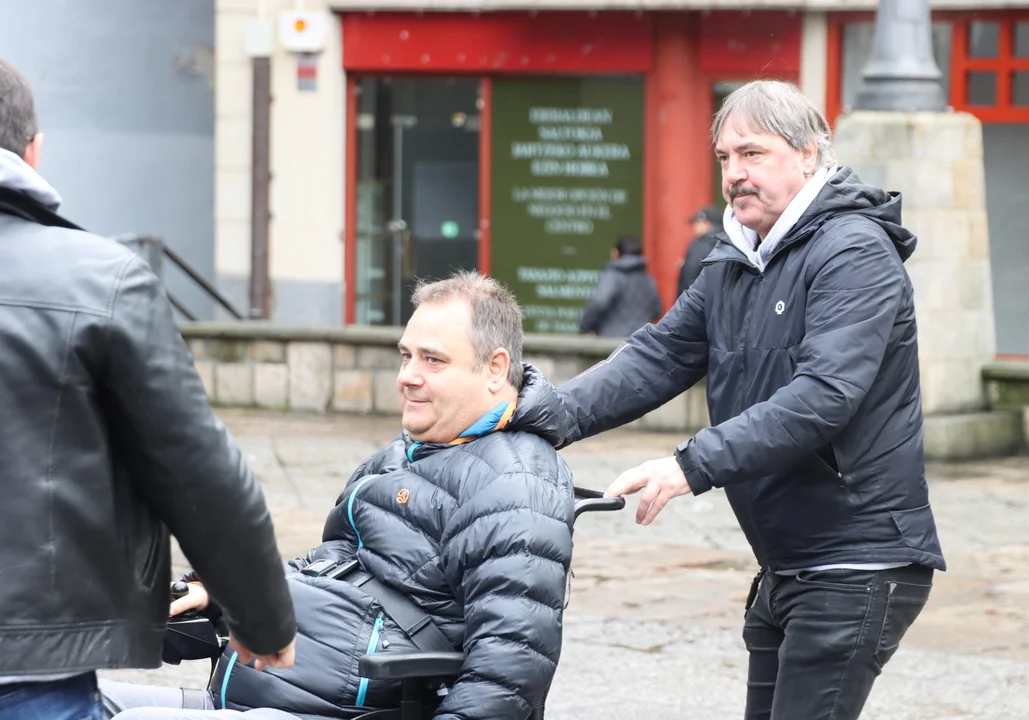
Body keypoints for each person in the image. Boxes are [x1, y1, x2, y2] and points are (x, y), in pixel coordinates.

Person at [555, 79, 946, 720]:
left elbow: (823, 396)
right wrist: (541, 417)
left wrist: (689, 465)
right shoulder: (736, 256)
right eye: (725, 158)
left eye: (753, 153)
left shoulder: (853, 250)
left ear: (808, 154)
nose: (734, 173)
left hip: (856, 562)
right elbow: (659, 355)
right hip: (788, 563)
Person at [102, 271, 576, 720]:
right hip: (262, 692)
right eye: (405, 356)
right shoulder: (406, 454)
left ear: (495, 368)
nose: (407, 375)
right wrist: (224, 595)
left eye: (432, 360)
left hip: (328, 709)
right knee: (74, 699)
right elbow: (328, 566)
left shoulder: (516, 482)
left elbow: (511, 667)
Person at [0, 58, 297, 718]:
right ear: (34, 151)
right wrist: (262, 620)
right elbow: (197, 472)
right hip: (30, 675)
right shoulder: (104, 285)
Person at [578, 235, 662, 337]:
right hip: (640, 341)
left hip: (612, 340)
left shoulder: (612, 276)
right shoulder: (648, 280)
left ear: (616, 253)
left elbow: (598, 303)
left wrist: (585, 327)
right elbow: (657, 310)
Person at [676, 204, 723, 297]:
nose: (694, 226)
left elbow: (690, 275)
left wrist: (684, 266)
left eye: (697, 222)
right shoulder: (726, 243)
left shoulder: (700, 245)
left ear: (706, 223)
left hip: (696, 300)